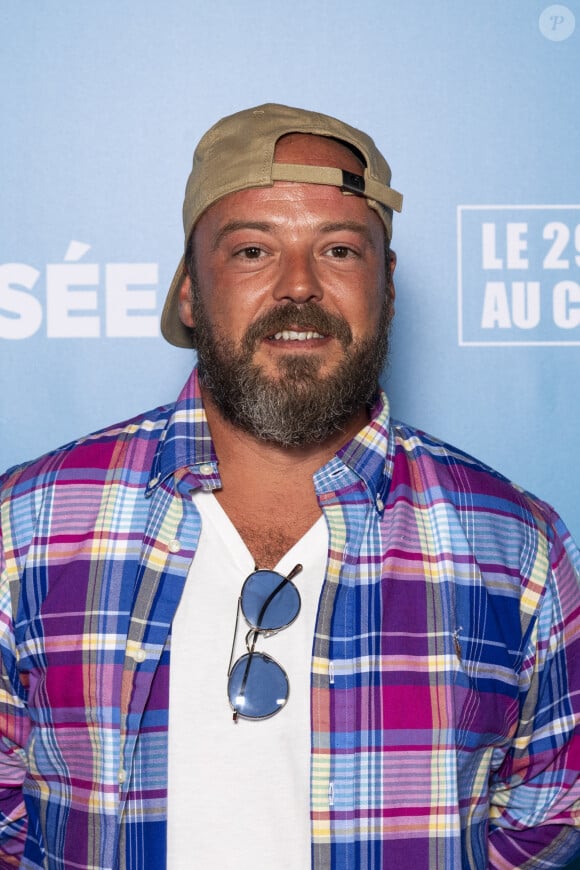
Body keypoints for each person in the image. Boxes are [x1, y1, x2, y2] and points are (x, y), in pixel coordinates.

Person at [0, 103, 579, 870]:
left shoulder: (515, 545)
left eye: (339, 249)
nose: (299, 287)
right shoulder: (32, 524)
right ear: (187, 291)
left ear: (387, 285)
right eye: (251, 252)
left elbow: (553, 811)